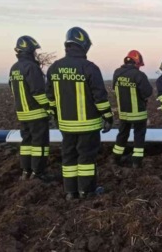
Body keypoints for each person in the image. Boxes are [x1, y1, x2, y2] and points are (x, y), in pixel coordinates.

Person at [46, 27, 113, 200]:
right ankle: (87, 191)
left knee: (68, 157)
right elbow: (100, 97)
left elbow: (50, 98)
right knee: (86, 159)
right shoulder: (89, 67)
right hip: (88, 125)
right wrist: (108, 116)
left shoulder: (54, 68)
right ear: (84, 45)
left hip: (66, 125)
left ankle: (70, 192)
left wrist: (56, 116)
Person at [9, 35, 52, 182]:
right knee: (39, 145)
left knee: (26, 143)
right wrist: (49, 107)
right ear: (28, 51)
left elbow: (12, 89)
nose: (35, 54)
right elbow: (38, 92)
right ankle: (38, 173)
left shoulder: (14, 68)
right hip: (37, 113)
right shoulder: (32, 67)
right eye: (34, 50)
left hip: (22, 113)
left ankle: (26, 171)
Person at [112, 50, 152, 169]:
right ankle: (136, 162)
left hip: (123, 113)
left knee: (122, 135)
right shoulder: (139, 75)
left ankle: (116, 158)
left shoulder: (117, 73)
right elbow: (147, 92)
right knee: (139, 137)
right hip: (138, 113)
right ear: (136, 62)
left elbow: (114, 88)